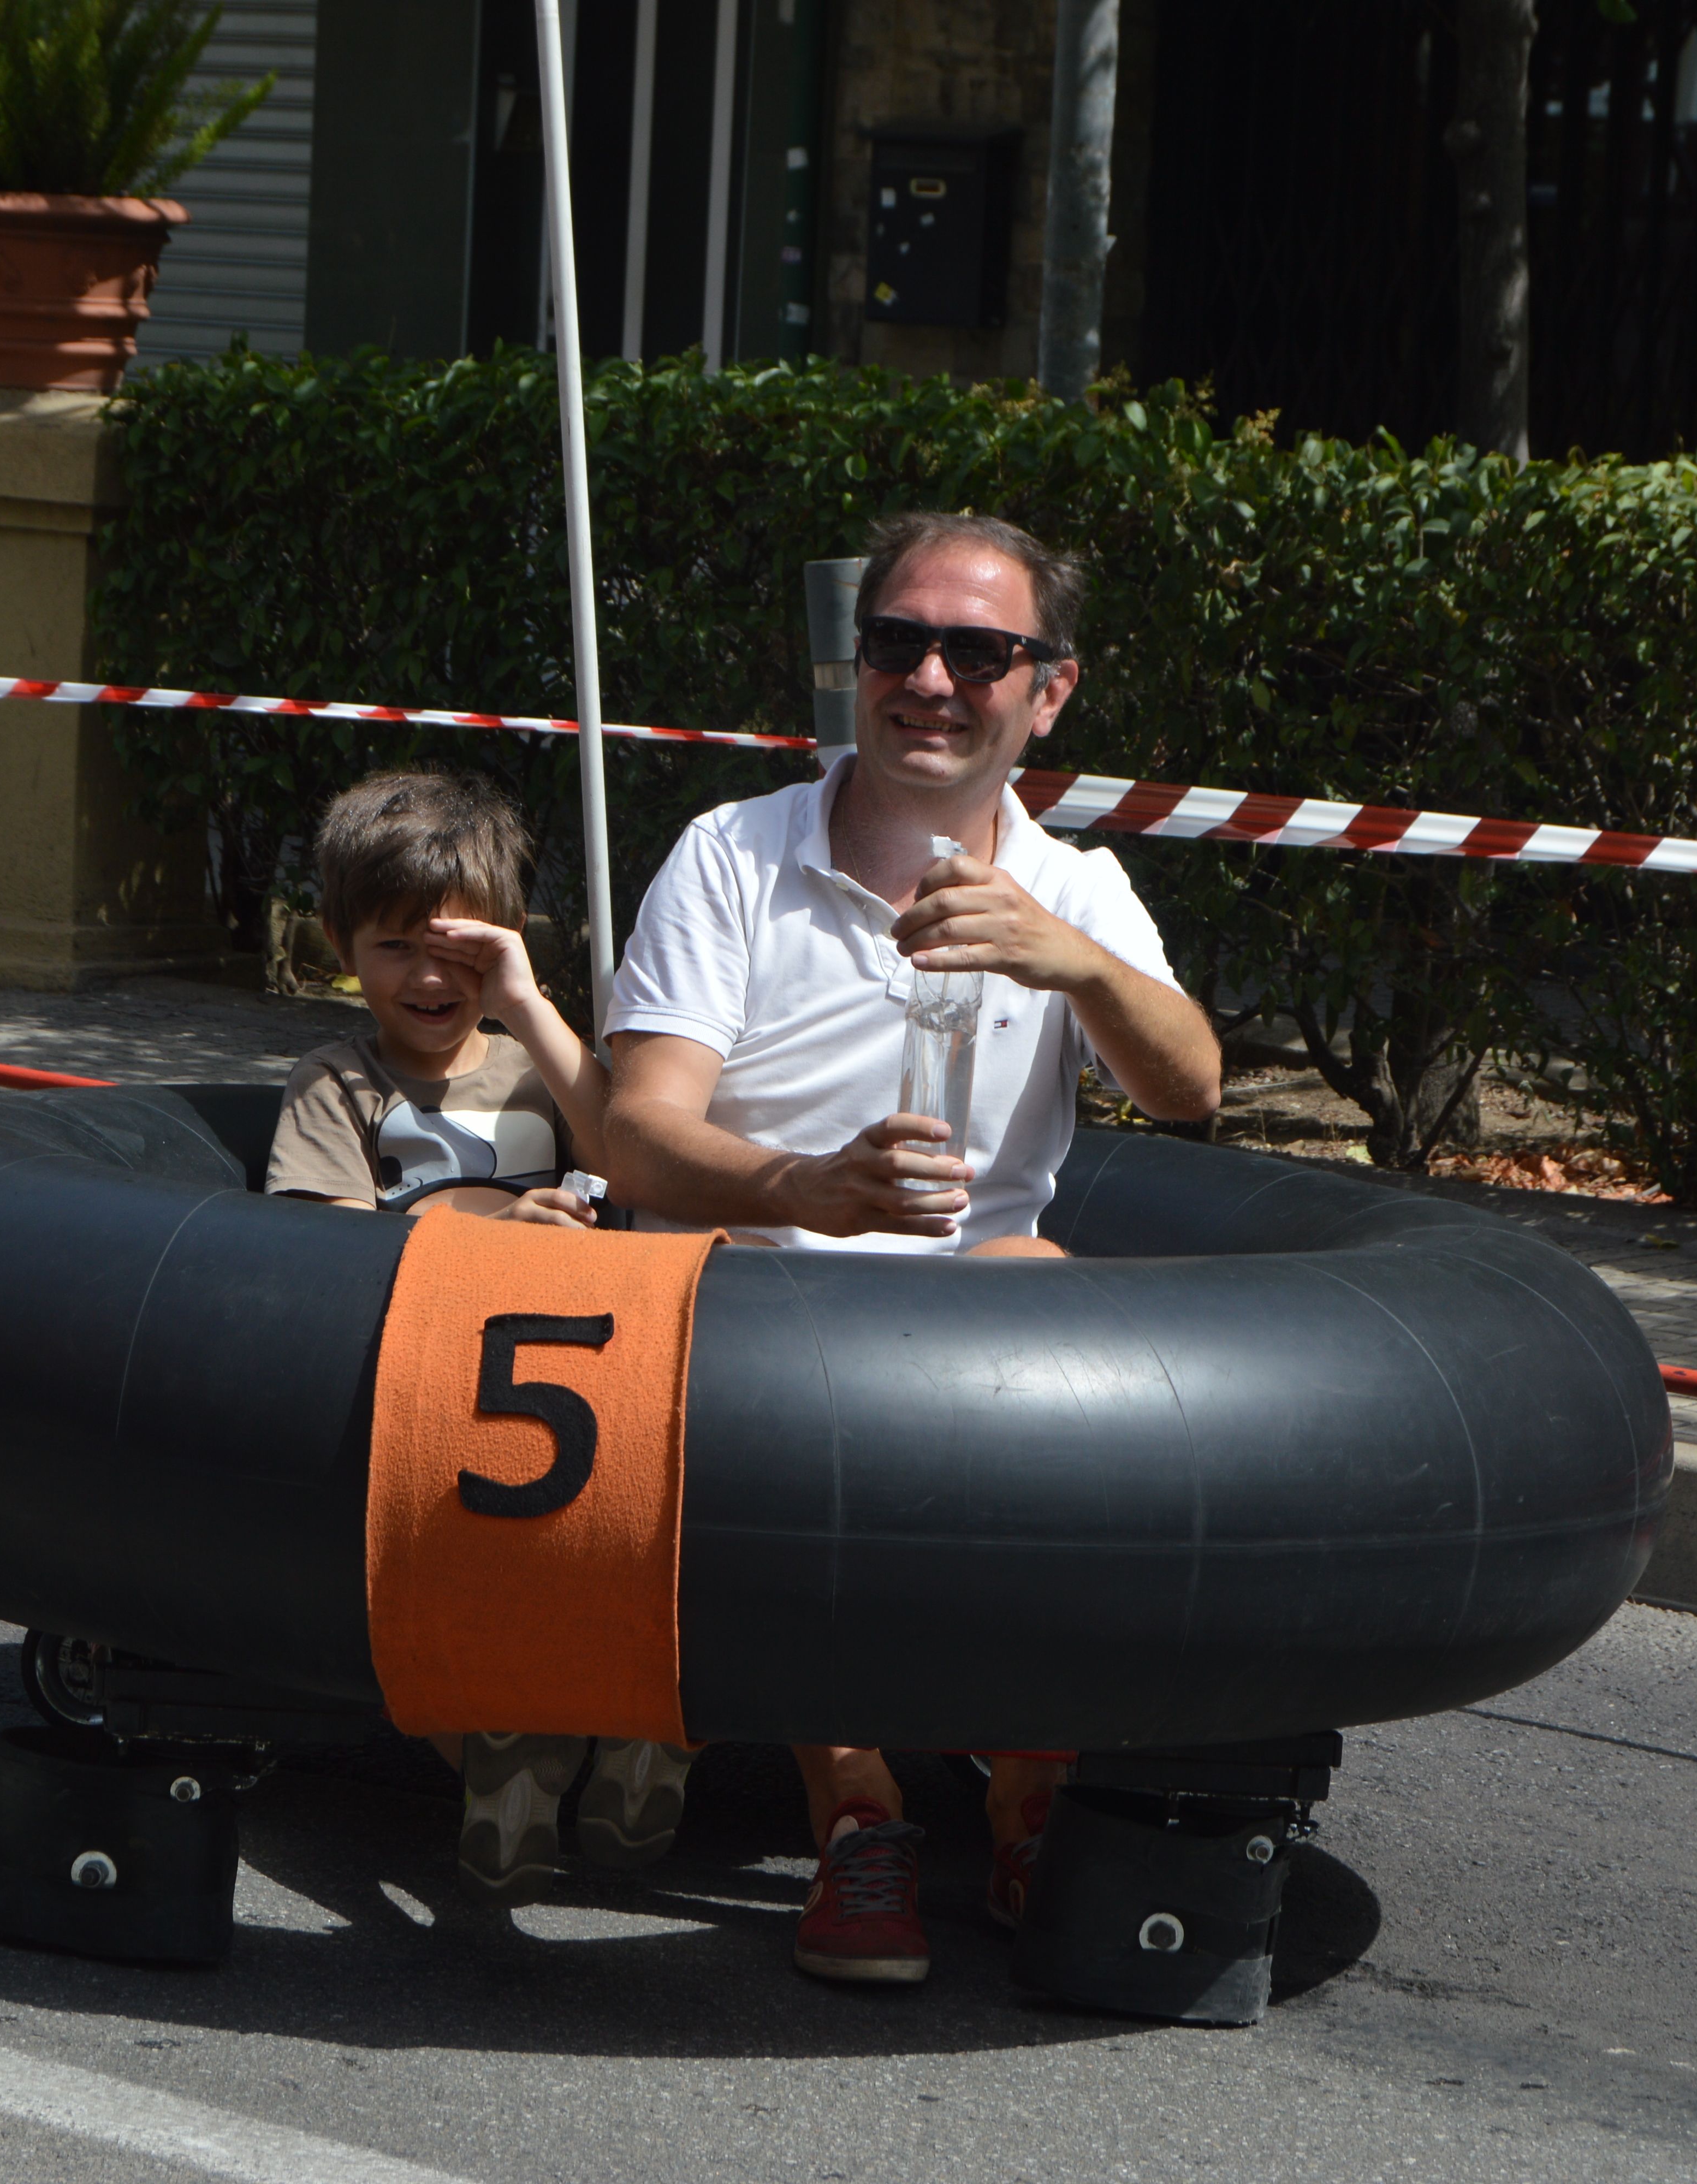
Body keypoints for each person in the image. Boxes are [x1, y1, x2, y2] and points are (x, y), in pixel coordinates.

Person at [595, 509, 1222, 1986]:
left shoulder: (1077, 891)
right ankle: (856, 1809)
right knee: (819, 1353)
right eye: (900, 642)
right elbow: (638, 1133)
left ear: (1045, 693)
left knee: (1052, 1303)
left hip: (975, 1305)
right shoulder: (732, 855)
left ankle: (1027, 1777)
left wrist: (1064, 956)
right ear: (854, 663)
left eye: (979, 653)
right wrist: (811, 1187)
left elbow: (1190, 1085)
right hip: (762, 1289)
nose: (932, 679)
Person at [261, 769, 698, 1903]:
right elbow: (326, 1248)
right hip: (429, 1378)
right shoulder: (338, 1085)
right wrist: (494, 1222)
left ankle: (628, 1736)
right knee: (469, 1566)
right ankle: (505, 1752)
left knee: (606, 1543)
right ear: (341, 947)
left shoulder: (535, 1071)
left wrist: (531, 1003)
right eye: (396, 944)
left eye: (460, 947)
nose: (430, 975)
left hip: (567, 1378)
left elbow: (635, 1153)